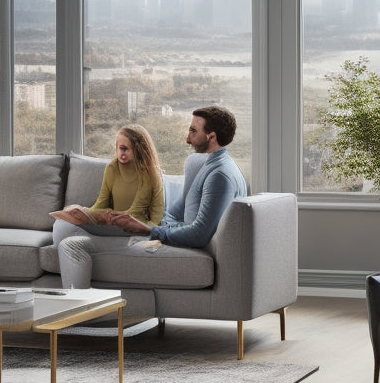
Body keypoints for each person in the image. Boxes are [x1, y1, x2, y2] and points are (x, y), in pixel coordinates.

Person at [59, 106, 247, 288]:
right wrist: (154, 229)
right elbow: (173, 215)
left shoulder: (219, 176)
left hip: (183, 245)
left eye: (193, 131)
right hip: (169, 237)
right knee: (69, 231)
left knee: (70, 243)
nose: (187, 139)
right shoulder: (210, 166)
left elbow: (199, 235)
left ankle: (82, 313)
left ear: (211, 136)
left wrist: (149, 230)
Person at [52, 124, 164, 249]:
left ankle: (89, 245)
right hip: (113, 228)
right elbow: (101, 203)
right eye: (118, 147)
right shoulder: (112, 168)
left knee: (70, 240)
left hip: (137, 230)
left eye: (125, 148)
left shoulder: (150, 174)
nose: (121, 152)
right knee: (61, 224)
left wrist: (145, 229)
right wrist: (85, 215)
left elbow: (151, 217)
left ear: (138, 149)